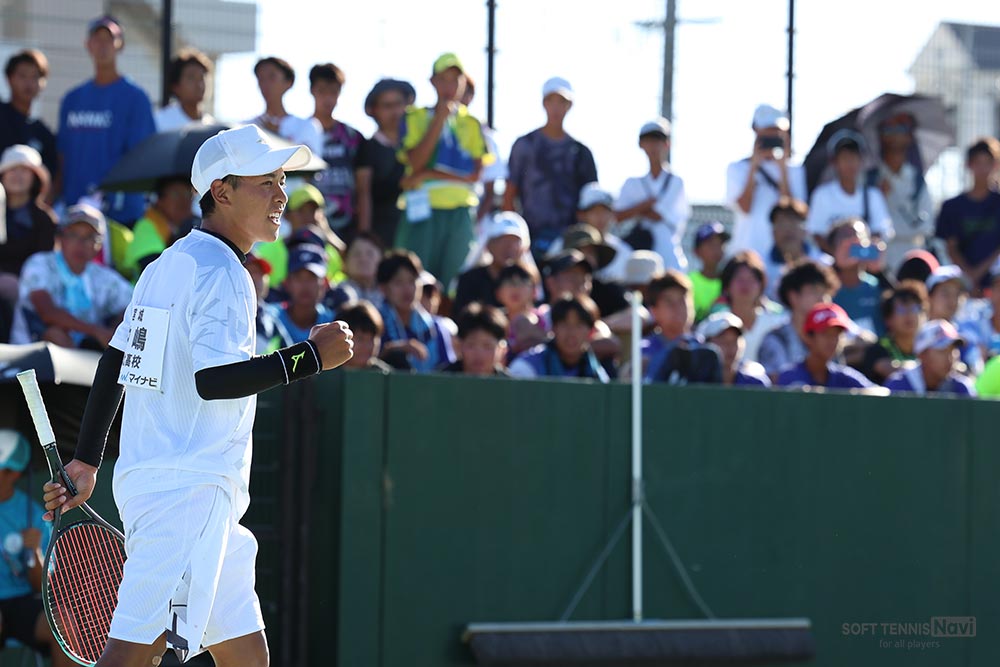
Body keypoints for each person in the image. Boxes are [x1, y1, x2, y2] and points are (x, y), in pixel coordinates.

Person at [41, 124, 354, 666]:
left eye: (282, 180)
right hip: (185, 496)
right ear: (222, 192)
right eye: (266, 182)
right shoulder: (221, 271)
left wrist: (87, 460)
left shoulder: (168, 264)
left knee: (248, 656)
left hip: (195, 492)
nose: (281, 195)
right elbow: (214, 381)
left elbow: (116, 361)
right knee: (129, 655)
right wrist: (310, 357)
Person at [395, 53, 491, 289]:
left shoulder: (473, 123)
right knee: (415, 281)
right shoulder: (414, 117)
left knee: (456, 284)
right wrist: (439, 119)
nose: (450, 86)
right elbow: (416, 162)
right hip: (421, 210)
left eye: (455, 79)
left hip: (460, 212)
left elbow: (475, 175)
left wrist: (427, 175)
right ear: (433, 82)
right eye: (443, 79)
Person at [57, 16, 156, 226]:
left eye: (109, 39)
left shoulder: (135, 98)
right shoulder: (72, 99)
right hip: (76, 214)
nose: (103, 46)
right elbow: (62, 155)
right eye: (97, 39)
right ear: (88, 44)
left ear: (120, 45)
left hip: (120, 215)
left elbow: (142, 156)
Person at [10, 203, 132, 348]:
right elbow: (47, 313)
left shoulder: (104, 277)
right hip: (28, 354)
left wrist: (116, 329)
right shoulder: (39, 264)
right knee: (56, 335)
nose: (80, 243)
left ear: (99, 245)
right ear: (60, 238)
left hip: (87, 355)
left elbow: (133, 305)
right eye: (73, 235)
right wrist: (97, 332)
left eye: (90, 237)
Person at [0, 430, 73, 667]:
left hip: (20, 603)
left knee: (64, 624)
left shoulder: (35, 515)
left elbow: (39, 585)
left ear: (13, 473)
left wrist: (34, 552)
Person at [504, 77, 597, 255]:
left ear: (569, 106)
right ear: (543, 104)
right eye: (550, 100)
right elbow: (509, 194)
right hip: (530, 240)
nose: (556, 107)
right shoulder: (525, 145)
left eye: (562, 101)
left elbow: (592, 204)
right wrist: (514, 239)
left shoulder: (581, 152)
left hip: (570, 243)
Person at [726, 104, 807, 259]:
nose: (772, 136)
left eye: (776, 132)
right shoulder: (737, 168)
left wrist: (782, 169)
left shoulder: (795, 170)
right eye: (767, 132)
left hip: (782, 257)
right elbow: (745, 207)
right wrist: (753, 167)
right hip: (747, 255)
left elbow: (792, 210)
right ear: (755, 131)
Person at [614, 118, 690, 270]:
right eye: (648, 141)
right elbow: (617, 216)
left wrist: (638, 211)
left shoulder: (676, 182)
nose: (654, 146)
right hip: (639, 251)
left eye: (658, 140)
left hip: (668, 255)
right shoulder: (632, 183)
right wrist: (643, 206)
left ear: (667, 144)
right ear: (641, 144)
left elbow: (661, 216)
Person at [0, 145, 57, 342]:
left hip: (27, 289)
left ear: (36, 177)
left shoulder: (44, 219)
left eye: (24, 170)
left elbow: (44, 263)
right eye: (12, 170)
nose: (18, 176)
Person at [806, 130, 893, 249]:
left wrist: (861, 254)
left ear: (861, 161)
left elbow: (881, 232)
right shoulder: (822, 195)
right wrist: (839, 256)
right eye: (844, 158)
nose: (850, 163)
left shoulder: (873, 195)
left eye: (853, 157)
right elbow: (816, 234)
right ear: (834, 162)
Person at [935, 138, 1000, 294]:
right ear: (968, 165)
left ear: (995, 165)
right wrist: (969, 278)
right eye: (978, 163)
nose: (983, 169)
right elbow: (950, 247)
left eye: (988, 163)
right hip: (960, 287)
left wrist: (978, 275)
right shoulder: (952, 206)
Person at [871, 113, 934, 271]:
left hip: (912, 264)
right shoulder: (868, 180)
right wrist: (878, 198)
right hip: (878, 265)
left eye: (901, 128)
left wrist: (891, 230)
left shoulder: (918, 181)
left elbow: (926, 226)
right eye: (888, 129)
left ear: (910, 136)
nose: (894, 134)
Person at [758, 258, 840, 379]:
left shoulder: (831, 338)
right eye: (814, 291)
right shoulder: (776, 340)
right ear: (793, 296)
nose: (822, 299)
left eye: (825, 294)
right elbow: (776, 384)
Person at [356, 78, 413, 248]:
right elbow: (363, 193)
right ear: (374, 110)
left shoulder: (417, 144)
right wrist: (365, 237)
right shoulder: (368, 147)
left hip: (415, 228)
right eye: (387, 106)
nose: (395, 111)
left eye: (398, 104)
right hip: (382, 231)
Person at [254, 183, 345, 290]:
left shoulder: (331, 253)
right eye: (301, 211)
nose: (308, 216)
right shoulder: (267, 251)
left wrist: (328, 233)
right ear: (287, 216)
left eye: (313, 210)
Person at [377, 249, 455, 373]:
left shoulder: (436, 328)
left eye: (412, 281)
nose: (407, 289)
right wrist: (394, 350)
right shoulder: (375, 325)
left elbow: (448, 373)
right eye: (398, 282)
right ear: (383, 288)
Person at [308, 63, 363, 231]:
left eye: (333, 91)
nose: (328, 98)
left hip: (347, 224)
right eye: (322, 91)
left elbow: (363, 188)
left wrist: (363, 230)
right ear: (312, 90)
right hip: (310, 222)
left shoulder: (352, 137)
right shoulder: (300, 134)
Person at [508, 293, 609, 382]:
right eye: (564, 324)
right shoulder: (526, 367)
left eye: (579, 325)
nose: (571, 333)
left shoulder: (597, 373)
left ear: (591, 331)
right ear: (553, 328)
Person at [776, 303, 875, 389]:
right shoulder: (790, 377)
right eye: (825, 334)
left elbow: (878, 393)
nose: (832, 341)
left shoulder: (845, 377)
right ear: (808, 337)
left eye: (836, 335)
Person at [547, 182, 631, 283]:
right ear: (581, 215)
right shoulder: (560, 245)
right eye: (594, 211)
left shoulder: (624, 252)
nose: (601, 217)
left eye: (605, 211)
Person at [711, 251, 786, 363]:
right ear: (727, 286)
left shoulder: (775, 324)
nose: (745, 285)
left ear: (761, 286)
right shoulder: (713, 324)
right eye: (739, 279)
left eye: (752, 279)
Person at [453, 211, 531, 315]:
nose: (509, 247)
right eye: (501, 240)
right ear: (488, 245)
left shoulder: (530, 280)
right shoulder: (469, 280)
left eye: (515, 241)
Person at [0, 49, 58, 182]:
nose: (28, 83)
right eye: (22, 76)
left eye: (35, 76)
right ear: (9, 78)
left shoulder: (43, 133)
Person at [854, 281, 927, 384]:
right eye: (901, 310)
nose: (909, 315)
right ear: (888, 320)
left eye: (914, 309)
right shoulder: (878, 349)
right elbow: (889, 369)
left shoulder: (929, 346)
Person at [122, 176, 195, 277]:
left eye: (188, 194)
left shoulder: (184, 228)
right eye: (176, 194)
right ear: (159, 200)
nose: (183, 201)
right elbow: (155, 272)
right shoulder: (146, 225)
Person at [884, 320, 976, 397]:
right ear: (922, 355)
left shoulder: (961, 388)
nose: (950, 357)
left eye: (953, 350)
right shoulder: (898, 386)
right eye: (942, 350)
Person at [641, 270, 702, 381]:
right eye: (669, 302)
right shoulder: (643, 351)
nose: (677, 307)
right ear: (654, 311)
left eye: (682, 300)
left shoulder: (703, 347)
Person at [827, 218, 884, 336]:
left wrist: (881, 272)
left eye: (859, 238)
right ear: (833, 247)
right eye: (845, 238)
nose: (853, 242)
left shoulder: (877, 285)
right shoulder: (824, 287)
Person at [248, 57, 317, 150]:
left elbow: (309, 157)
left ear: (289, 82)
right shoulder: (248, 126)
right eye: (261, 78)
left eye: (272, 77)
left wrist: (276, 135)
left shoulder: (306, 126)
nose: (265, 84)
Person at [762, 197, 824, 301]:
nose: (788, 229)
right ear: (773, 232)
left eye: (794, 222)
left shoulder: (825, 265)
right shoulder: (761, 269)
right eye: (782, 223)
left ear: (806, 230)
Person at [925, 264, 982, 375]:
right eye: (945, 293)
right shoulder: (915, 330)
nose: (952, 300)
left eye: (957, 294)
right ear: (929, 296)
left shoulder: (967, 337)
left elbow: (976, 373)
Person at [275, 244, 336, 345]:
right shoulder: (268, 319)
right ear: (287, 283)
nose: (305, 284)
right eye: (298, 278)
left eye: (312, 277)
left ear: (325, 283)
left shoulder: (334, 324)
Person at [696, 311, 770, 387]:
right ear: (707, 344)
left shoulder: (755, 383)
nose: (730, 347)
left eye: (735, 341)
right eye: (723, 341)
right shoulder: (695, 381)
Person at [495, 261, 547, 360]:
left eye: (523, 281)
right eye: (509, 282)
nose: (515, 288)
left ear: (535, 291)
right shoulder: (492, 322)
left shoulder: (547, 316)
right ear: (498, 293)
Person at [441, 303, 510, 376]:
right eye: (471, 345)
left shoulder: (510, 382)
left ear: (502, 350)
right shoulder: (441, 378)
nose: (479, 354)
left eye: (487, 346)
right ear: (458, 346)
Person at [155, 49, 215, 131]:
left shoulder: (211, 125)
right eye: (191, 77)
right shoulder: (160, 122)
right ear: (175, 86)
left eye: (202, 77)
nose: (199, 84)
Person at [688, 221, 729, 322]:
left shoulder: (731, 281)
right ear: (697, 251)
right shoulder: (688, 282)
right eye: (711, 244)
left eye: (720, 244)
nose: (717, 249)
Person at [337, 300, 392, 372]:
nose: (367, 346)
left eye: (372, 339)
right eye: (360, 339)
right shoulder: (324, 372)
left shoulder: (385, 373)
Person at [334, 231, 384, 307]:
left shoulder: (390, 294)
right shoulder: (336, 294)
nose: (363, 259)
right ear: (345, 261)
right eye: (356, 254)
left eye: (370, 254)